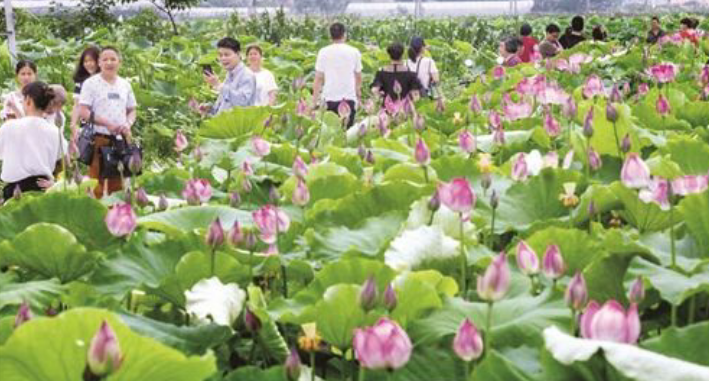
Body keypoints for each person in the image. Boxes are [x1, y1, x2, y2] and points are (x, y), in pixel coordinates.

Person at [78, 46, 137, 198]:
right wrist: (106, 123)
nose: (109, 62)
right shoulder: (90, 83)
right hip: (99, 139)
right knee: (97, 183)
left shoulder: (125, 84)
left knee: (121, 182)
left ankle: (118, 216)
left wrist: (128, 124)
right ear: (99, 62)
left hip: (122, 140)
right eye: (105, 59)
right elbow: (83, 111)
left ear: (119, 62)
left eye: (113, 59)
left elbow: (132, 110)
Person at [0, 82, 67, 200]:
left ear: (28, 100)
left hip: (15, 190)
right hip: (43, 188)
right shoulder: (54, 131)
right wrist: (56, 183)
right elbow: (66, 163)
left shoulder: (9, 127)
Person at [312, 22, 362, 128]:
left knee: (330, 135)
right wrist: (358, 95)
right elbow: (358, 76)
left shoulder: (323, 52)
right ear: (345, 35)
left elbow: (318, 79)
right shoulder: (354, 52)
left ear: (330, 36)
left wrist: (314, 101)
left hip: (329, 99)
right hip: (349, 98)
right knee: (346, 134)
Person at [205, 37, 257, 115]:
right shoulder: (229, 74)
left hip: (238, 126)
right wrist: (208, 109)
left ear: (238, 54)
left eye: (227, 55)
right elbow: (223, 107)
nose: (223, 58)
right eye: (220, 55)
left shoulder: (247, 75)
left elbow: (242, 102)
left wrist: (219, 85)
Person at [70, 46, 100, 138]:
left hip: (104, 124)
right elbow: (77, 105)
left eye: (91, 60)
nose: (88, 64)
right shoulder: (81, 83)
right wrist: (73, 124)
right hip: (86, 126)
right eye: (86, 61)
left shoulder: (106, 80)